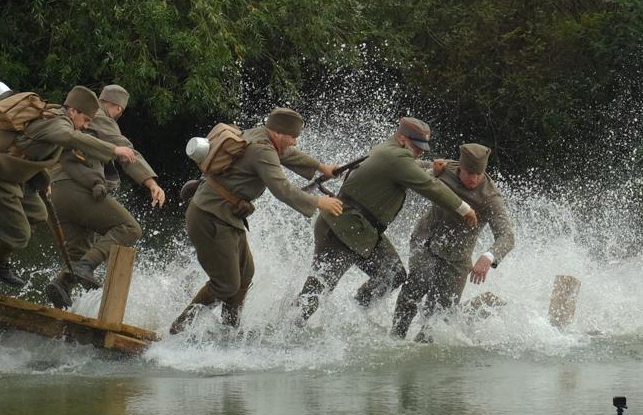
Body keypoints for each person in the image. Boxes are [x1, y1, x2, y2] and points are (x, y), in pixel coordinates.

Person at [170, 108, 343, 334]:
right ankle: (179, 329)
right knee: (226, 284)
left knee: (245, 275)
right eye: (293, 137)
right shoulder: (262, 150)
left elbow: (287, 154)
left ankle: (229, 330)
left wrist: (322, 168)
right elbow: (282, 189)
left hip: (226, 215)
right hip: (210, 216)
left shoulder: (259, 136)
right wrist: (319, 202)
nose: (295, 141)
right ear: (278, 133)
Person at [294, 116, 477, 323]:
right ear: (402, 139)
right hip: (343, 230)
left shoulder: (391, 151)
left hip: (361, 231)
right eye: (417, 146)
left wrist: (432, 168)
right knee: (318, 289)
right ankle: (282, 331)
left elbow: (413, 166)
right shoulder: (396, 158)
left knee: (393, 275)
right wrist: (464, 209)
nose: (420, 151)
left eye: (423, 148)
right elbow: (430, 186)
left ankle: (355, 313)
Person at [0, 85, 134, 300]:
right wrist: (113, 149)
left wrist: (44, 183)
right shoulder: (58, 122)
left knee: (37, 213)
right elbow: (71, 139)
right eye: (86, 120)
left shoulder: (53, 122)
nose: (86, 126)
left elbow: (38, 157)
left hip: (12, 176)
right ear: (73, 111)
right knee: (19, 235)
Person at [393, 142, 516, 338]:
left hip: (457, 259)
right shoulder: (445, 169)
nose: (474, 179)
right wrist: (431, 170)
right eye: (469, 173)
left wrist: (488, 256)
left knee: (440, 313)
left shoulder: (490, 196)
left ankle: (421, 347)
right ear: (460, 167)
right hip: (425, 241)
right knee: (420, 280)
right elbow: (407, 166)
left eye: (479, 174)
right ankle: (396, 337)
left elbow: (507, 236)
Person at [50, 82, 165, 288]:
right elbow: (127, 154)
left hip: (54, 193)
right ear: (119, 108)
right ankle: (86, 266)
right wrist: (151, 183)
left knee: (77, 256)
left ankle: (60, 291)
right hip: (75, 188)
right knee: (130, 228)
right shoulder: (101, 117)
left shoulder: (70, 117)